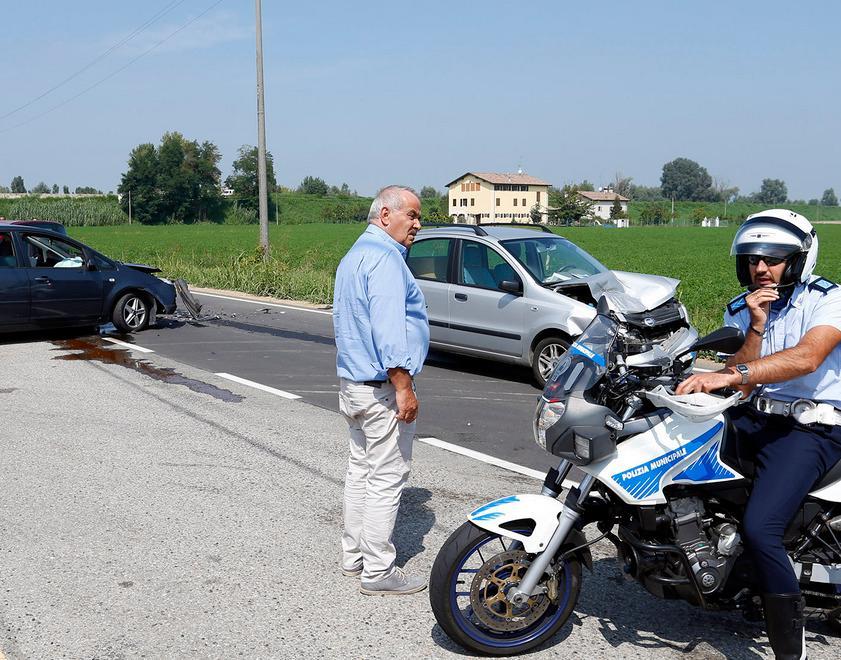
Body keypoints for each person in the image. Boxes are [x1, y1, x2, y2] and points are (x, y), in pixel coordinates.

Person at [677, 209, 841, 659]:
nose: (760, 269)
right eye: (752, 260)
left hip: (813, 428)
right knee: (682, 474)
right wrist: (755, 325)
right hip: (754, 417)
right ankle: (726, 573)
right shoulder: (742, 306)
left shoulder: (828, 300)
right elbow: (743, 383)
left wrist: (730, 374)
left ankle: (791, 651)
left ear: (798, 260)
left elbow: (807, 358)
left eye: (772, 259)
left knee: (761, 527)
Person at [332, 185, 429, 596]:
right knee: (386, 477)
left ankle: (353, 556)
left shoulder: (354, 255)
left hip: (352, 384)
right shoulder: (386, 261)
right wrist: (403, 386)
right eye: (412, 215)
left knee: (360, 470)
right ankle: (378, 571)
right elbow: (388, 332)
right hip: (381, 389)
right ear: (385, 215)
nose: (418, 225)